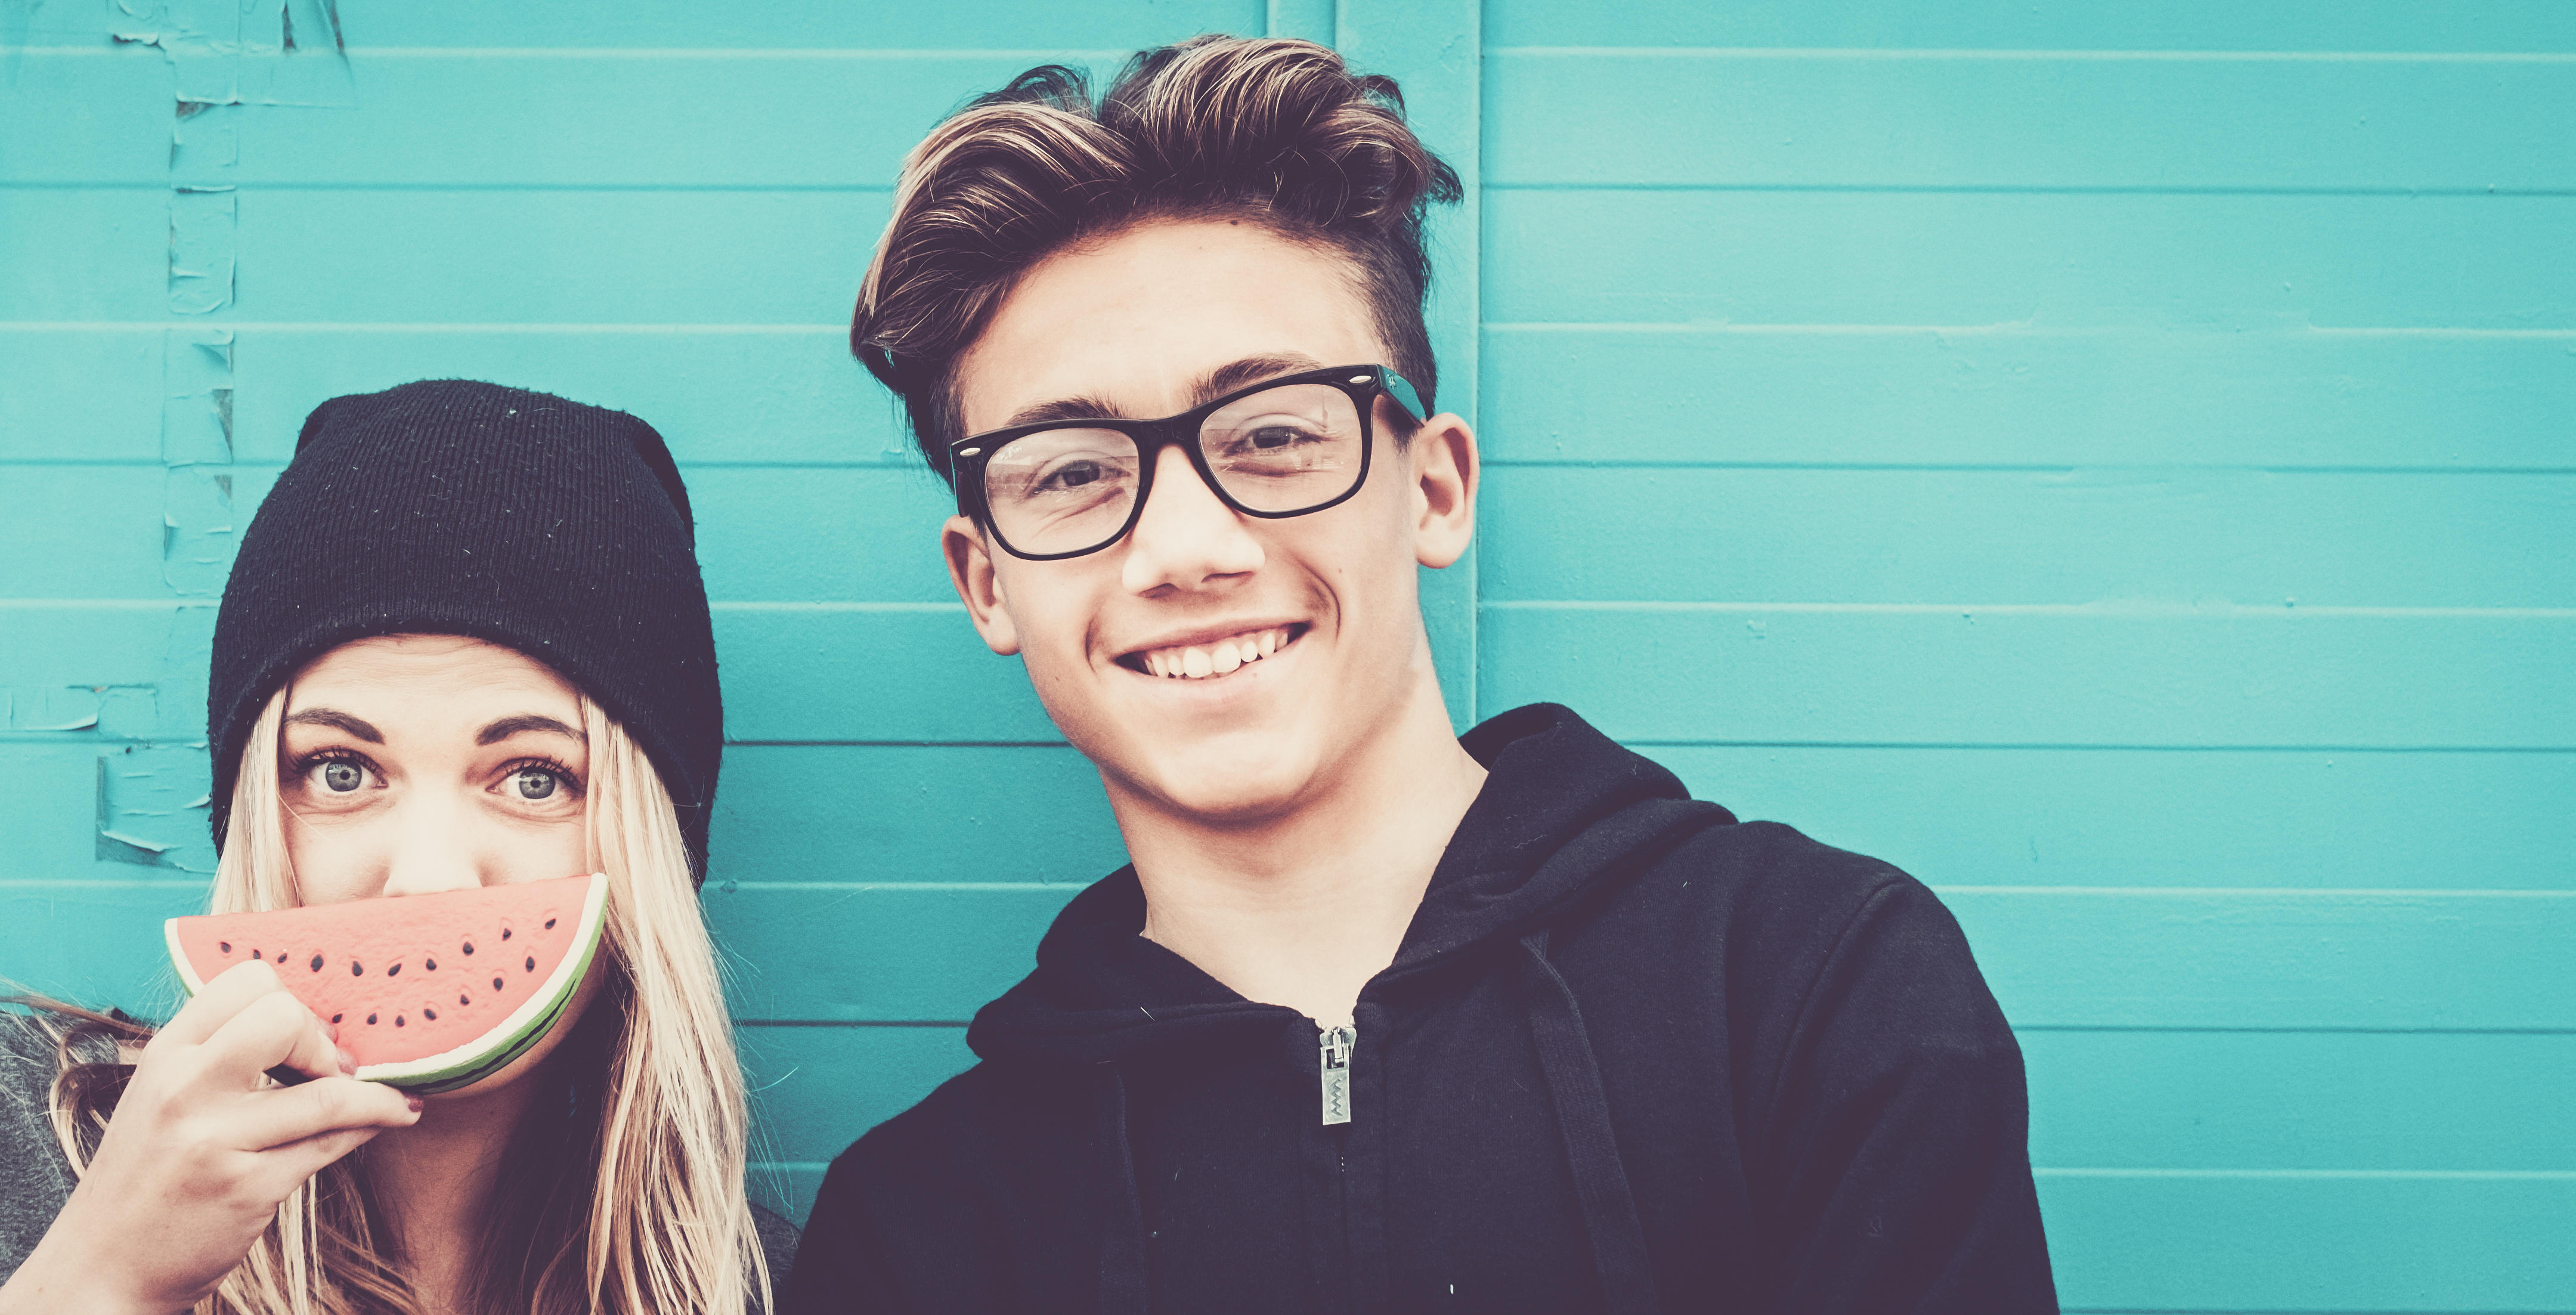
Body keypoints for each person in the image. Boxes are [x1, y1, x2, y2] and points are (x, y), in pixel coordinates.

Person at [783, 36, 2058, 1313]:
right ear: (987, 580)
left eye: (1275, 433)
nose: (1183, 547)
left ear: (1435, 489)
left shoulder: (1812, 991)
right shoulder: (919, 1232)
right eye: (1070, 469)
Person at [0, 381, 796, 1314]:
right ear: (255, 809)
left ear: (648, 853)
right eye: (341, 770)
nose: (427, 874)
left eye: (535, 777)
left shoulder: (758, 1285)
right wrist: (103, 1282)